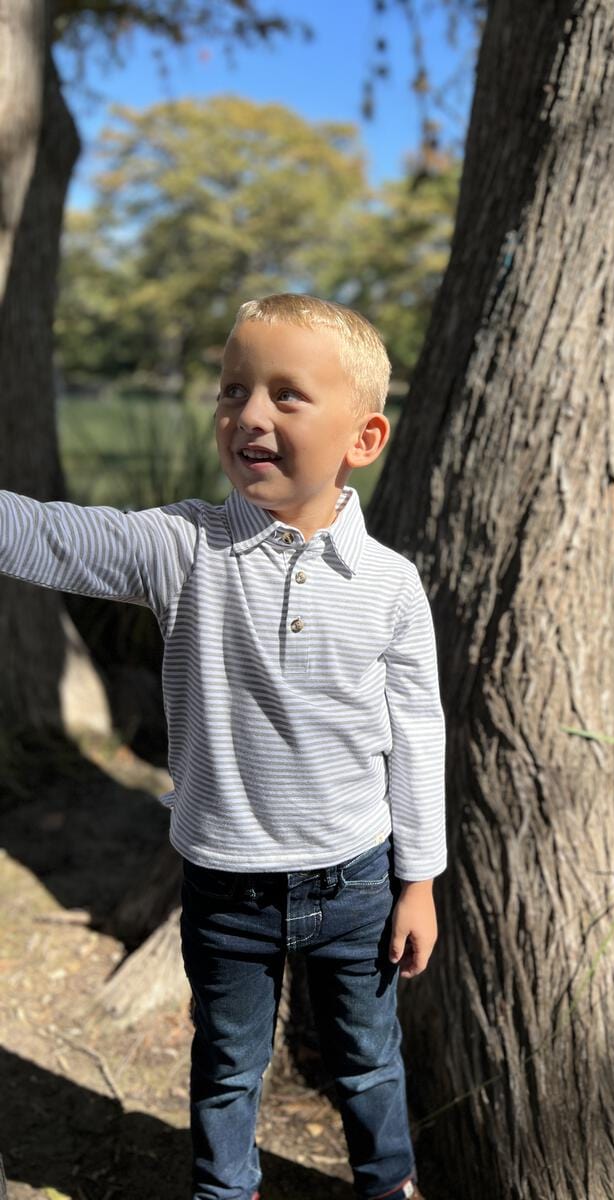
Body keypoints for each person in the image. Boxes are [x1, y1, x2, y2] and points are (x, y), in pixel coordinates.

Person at [0, 293, 446, 1200]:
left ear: (363, 439)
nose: (248, 414)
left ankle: (388, 1182)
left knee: (365, 1060)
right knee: (228, 1065)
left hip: (355, 882)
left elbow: (417, 730)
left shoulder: (392, 586)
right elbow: (47, 533)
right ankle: (222, 1190)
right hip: (224, 884)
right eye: (232, 391)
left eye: (287, 396)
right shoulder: (183, 548)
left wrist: (421, 880)